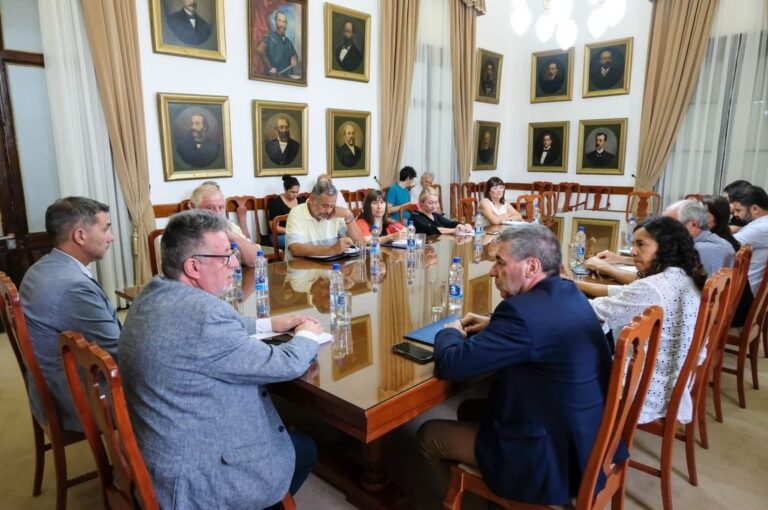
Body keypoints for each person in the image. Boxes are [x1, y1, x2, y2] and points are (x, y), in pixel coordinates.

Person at [120, 210, 323, 509]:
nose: (234, 264)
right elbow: (286, 365)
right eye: (225, 257)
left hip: (162, 451)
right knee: (304, 450)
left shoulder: (155, 291)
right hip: (194, 479)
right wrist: (308, 334)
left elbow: (210, 330)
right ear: (193, 266)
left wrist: (269, 324)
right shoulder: (206, 315)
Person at [418, 224, 614, 505]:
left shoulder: (521, 314)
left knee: (429, 435)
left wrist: (449, 331)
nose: (492, 271)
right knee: (470, 408)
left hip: (552, 458)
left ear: (531, 267)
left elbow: (452, 365)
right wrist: (495, 325)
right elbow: (542, 331)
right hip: (586, 437)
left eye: (499, 262)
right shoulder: (568, 291)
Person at [575, 217, 706, 425]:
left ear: (665, 247)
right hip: (674, 380)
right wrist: (575, 285)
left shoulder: (653, 287)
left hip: (645, 386)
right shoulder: (683, 276)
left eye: (641, 244)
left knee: (568, 357)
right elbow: (628, 295)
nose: (633, 251)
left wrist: (558, 291)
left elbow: (599, 312)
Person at [19, 197, 120, 432]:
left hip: (50, 386)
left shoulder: (41, 267)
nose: (111, 237)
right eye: (105, 229)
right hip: (75, 398)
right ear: (80, 235)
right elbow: (118, 353)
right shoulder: (73, 287)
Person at [587, 200, 733, 283]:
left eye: (671, 224)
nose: (664, 231)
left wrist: (606, 268)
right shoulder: (713, 242)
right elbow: (665, 261)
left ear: (694, 225)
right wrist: (620, 259)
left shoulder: (701, 250)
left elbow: (652, 282)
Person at [701, 194, 753, 327]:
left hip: (732, 314)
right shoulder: (727, 238)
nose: (697, 217)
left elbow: (709, 288)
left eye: (703, 213)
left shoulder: (717, 246)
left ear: (717, 218)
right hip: (739, 306)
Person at [285, 179, 364, 260]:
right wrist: (332, 249)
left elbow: (359, 244)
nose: (328, 211)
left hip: (330, 265)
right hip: (301, 266)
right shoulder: (296, 213)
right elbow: (295, 249)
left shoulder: (335, 213)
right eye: (325, 206)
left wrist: (348, 215)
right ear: (312, 199)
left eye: (332, 206)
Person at [190, 182, 261, 266]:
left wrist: (232, 236)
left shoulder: (230, 227)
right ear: (194, 208)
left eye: (221, 207)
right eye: (210, 208)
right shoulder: (185, 231)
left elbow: (255, 260)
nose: (217, 213)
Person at [732, 185, 768, 295]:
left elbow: (725, 247)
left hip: (744, 294)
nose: (735, 214)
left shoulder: (759, 228)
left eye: (738, 210)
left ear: (754, 209)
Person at [256, 10, 300, 78]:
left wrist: (293, 59)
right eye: (279, 21)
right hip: (272, 77)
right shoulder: (270, 37)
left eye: (284, 22)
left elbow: (294, 55)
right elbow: (260, 49)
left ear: (286, 24)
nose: (282, 24)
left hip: (286, 77)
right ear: (276, 22)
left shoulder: (288, 42)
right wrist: (269, 67)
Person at [268, 175, 306, 249]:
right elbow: (273, 227)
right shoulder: (276, 203)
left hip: (299, 234)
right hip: (281, 235)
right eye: (292, 192)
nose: (295, 195)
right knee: (298, 241)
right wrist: (290, 231)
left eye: (297, 192)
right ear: (285, 189)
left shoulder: (301, 201)